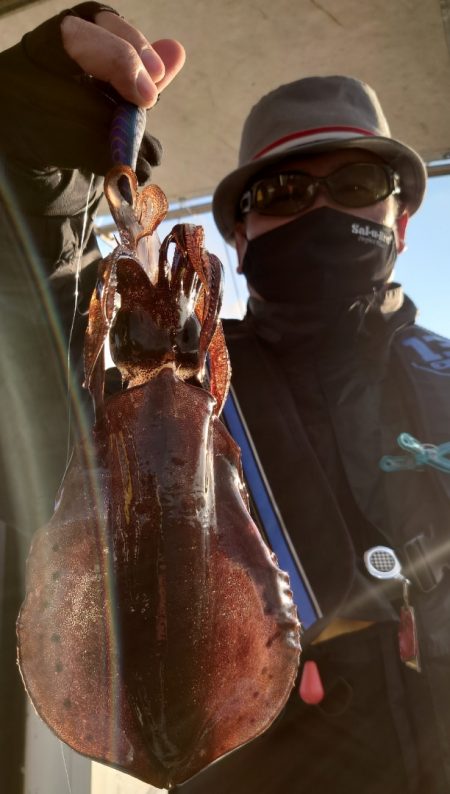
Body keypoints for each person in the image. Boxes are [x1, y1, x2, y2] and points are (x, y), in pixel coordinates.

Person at [1, 4, 450, 793]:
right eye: (283, 191)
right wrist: (33, 190)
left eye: (356, 184)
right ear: (238, 237)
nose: (320, 209)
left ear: (402, 221)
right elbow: (28, 343)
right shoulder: (171, 378)